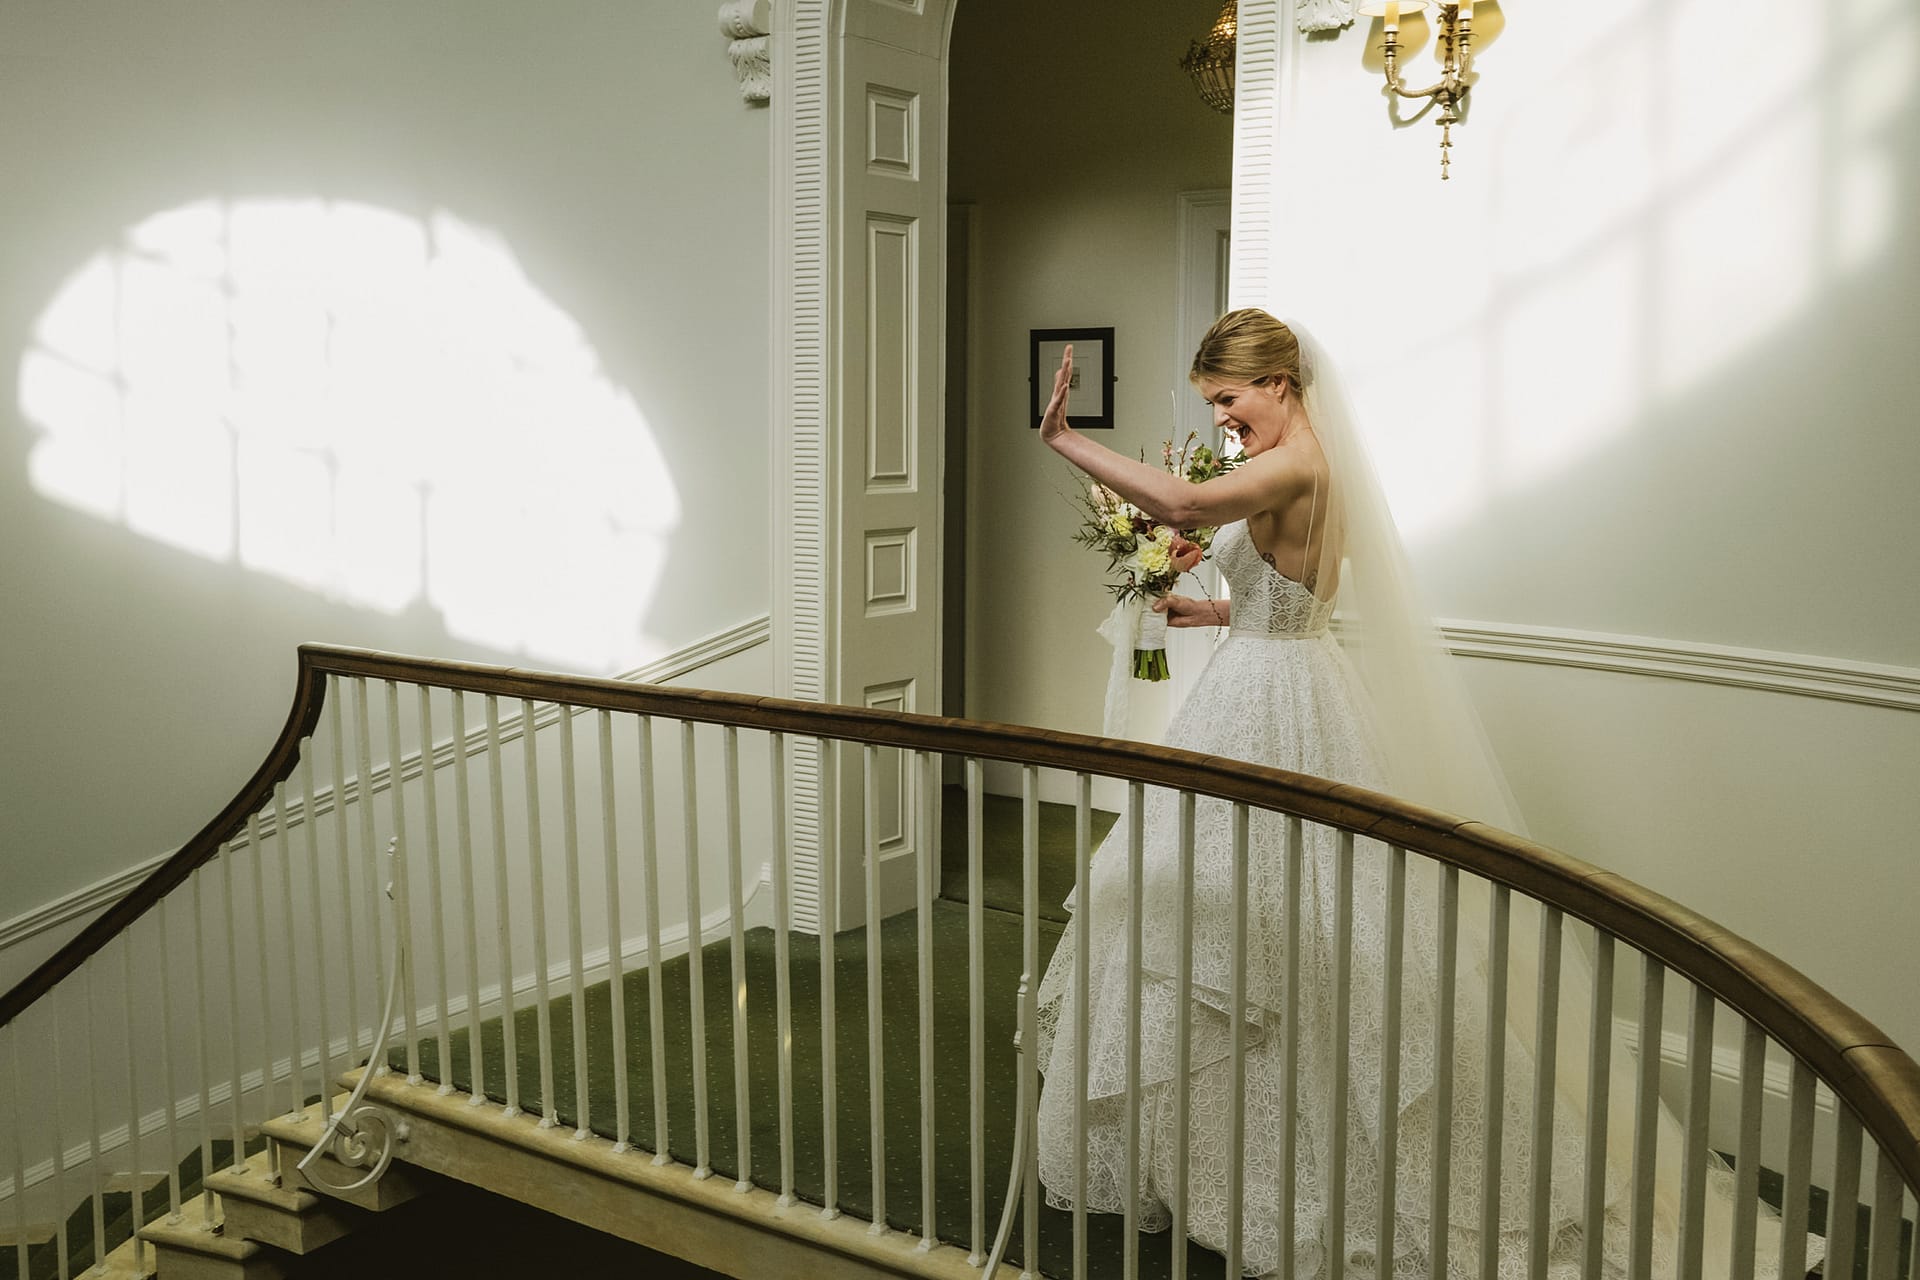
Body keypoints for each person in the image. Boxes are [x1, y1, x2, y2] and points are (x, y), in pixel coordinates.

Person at [1027, 309, 1817, 1278]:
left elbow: (1190, 510)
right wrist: (1209, 609)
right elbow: (1292, 588)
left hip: (1281, 709)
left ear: (1278, 382)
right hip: (1269, 683)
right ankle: (1223, 1160)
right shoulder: (1295, 465)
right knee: (1238, 925)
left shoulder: (1302, 462)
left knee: (1312, 941)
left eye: (1230, 402)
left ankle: (1330, 1172)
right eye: (1215, 409)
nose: (1227, 423)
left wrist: (1067, 440)